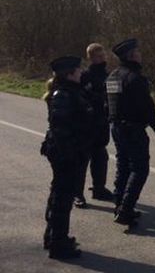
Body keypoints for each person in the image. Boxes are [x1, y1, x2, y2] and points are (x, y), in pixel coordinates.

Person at [106, 38, 155, 225]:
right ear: (131, 56)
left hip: (117, 127)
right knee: (139, 169)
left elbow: (110, 103)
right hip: (133, 129)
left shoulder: (113, 76)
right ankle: (125, 209)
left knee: (123, 165)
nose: (141, 55)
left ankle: (119, 204)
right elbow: (147, 108)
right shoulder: (136, 78)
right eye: (138, 52)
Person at [41, 56, 93, 259]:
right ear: (69, 74)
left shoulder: (71, 92)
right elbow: (61, 129)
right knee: (62, 199)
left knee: (59, 196)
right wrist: (71, 154)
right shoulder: (63, 95)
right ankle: (58, 244)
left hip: (68, 152)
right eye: (78, 70)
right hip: (65, 154)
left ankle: (53, 237)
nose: (81, 72)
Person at [73, 43, 113, 208]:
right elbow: (78, 98)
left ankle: (99, 189)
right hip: (86, 124)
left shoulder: (109, 75)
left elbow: (113, 98)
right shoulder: (84, 76)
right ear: (90, 57)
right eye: (98, 56)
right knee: (82, 160)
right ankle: (77, 194)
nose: (102, 58)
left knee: (101, 157)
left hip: (102, 123)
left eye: (103, 55)